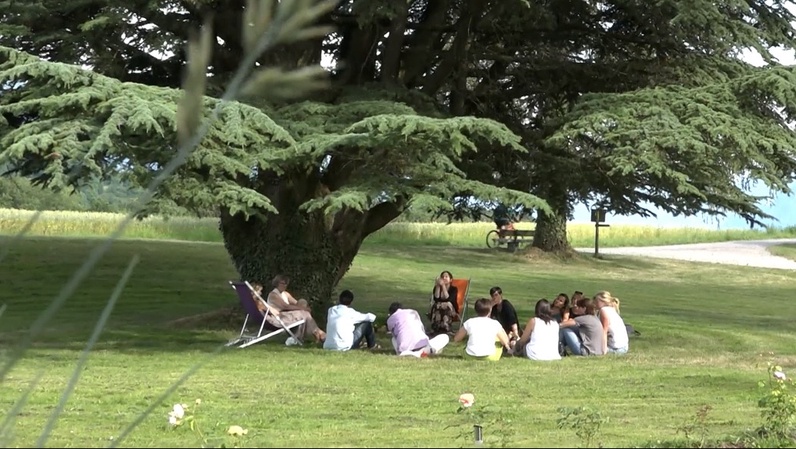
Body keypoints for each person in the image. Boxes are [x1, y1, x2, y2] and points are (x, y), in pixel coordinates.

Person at [251, 282, 326, 343]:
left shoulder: (252, 303)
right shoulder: (259, 303)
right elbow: (275, 311)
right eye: (259, 291)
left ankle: (317, 333)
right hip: (276, 320)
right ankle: (319, 333)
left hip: (274, 318)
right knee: (305, 314)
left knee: (304, 314)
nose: (260, 293)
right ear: (255, 292)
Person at [429, 270, 459, 335]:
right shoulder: (437, 287)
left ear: (451, 280)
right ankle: (436, 328)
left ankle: (447, 327)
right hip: (438, 308)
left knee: (447, 304)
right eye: (442, 277)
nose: (444, 278)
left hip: (451, 309)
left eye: (446, 276)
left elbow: (448, 299)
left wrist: (443, 286)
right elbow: (436, 298)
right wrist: (437, 286)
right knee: (436, 305)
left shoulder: (454, 289)